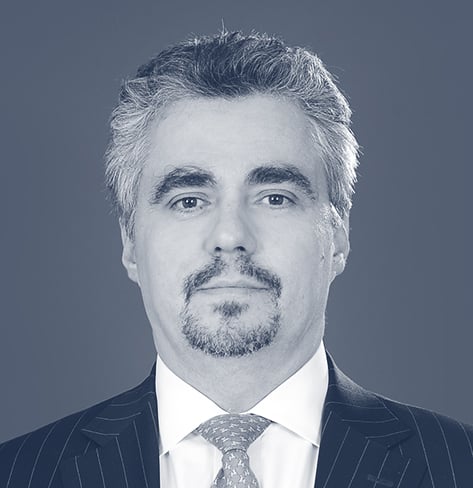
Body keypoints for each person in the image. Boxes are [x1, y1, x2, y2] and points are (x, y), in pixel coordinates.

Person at [1, 30, 472, 488]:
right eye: (189, 200)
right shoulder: (18, 474)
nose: (230, 237)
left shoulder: (459, 465)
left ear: (338, 235)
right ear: (130, 243)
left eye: (275, 197)